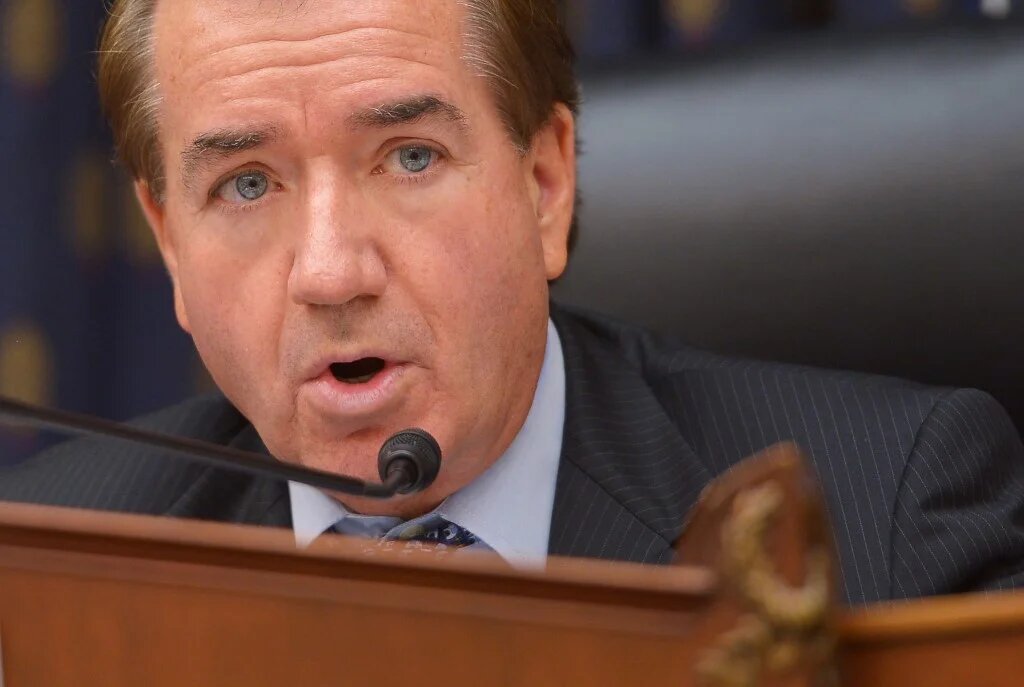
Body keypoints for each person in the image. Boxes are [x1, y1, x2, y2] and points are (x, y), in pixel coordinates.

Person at [2, 0, 1023, 605]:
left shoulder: (889, 523)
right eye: (249, 184)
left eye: (408, 157)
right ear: (169, 241)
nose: (329, 271)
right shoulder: (49, 568)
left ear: (545, 184)